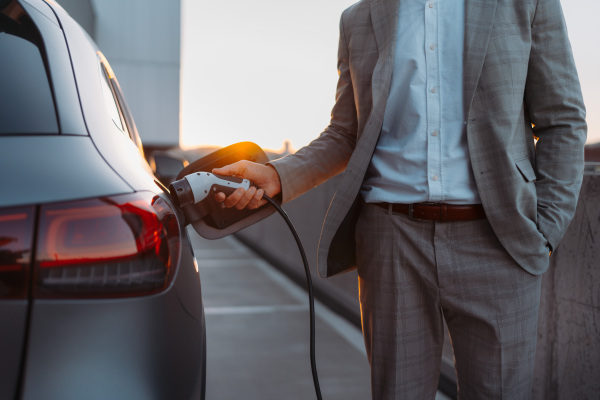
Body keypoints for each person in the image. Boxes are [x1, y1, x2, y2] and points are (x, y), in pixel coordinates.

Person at [212, 0, 587, 398]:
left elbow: (562, 118)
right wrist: (276, 174)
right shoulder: (358, 18)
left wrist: (545, 229)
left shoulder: (525, 4)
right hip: (391, 243)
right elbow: (347, 133)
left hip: (498, 242)